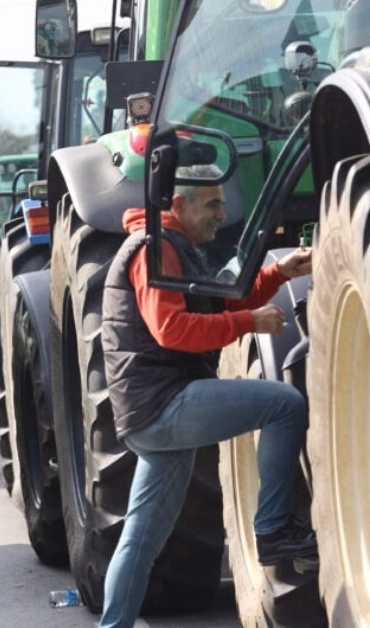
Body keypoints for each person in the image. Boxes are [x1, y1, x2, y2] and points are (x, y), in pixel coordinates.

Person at [98, 164, 316, 628]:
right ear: (179, 205)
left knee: (141, 540)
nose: (223, 213)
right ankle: (274, 530)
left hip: (148, 409)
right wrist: (250, 323)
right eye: (213, 204)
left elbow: (219, 301)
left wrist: (278, 273)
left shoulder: (174, 245)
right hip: (163, 404)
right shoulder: (155, 249)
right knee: (284, 404)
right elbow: (172, 329)